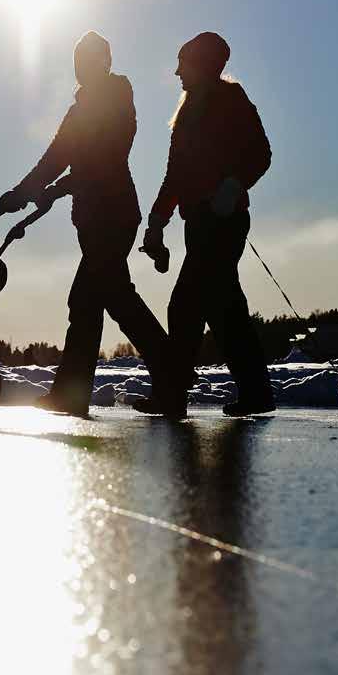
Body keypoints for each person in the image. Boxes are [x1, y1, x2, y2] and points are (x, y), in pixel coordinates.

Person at [0, 31, 175, 418]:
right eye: (78, 60)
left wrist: (56, 188)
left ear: (105, 62)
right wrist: (23, 191)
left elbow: (105, 157)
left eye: (90, 59)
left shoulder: (116, 98)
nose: (82, 67)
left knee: (97, 299)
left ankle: (160, 373)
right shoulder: (79, 109)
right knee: (104, 299)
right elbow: (57, 154)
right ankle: (161, 374)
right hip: (94, 217)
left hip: (113, 213)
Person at [138, 32, 275, 418]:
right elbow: (175, 175)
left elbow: (261, 154)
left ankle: (173, 394)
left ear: (204, 64)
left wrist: (233, 185)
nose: (177, 71)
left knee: (185, 306)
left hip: (225, 220)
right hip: (198, 223)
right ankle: (255, 392)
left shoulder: (232, 101)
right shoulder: (185, 115)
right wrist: (156, 222)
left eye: (184, 63)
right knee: (224, 308)